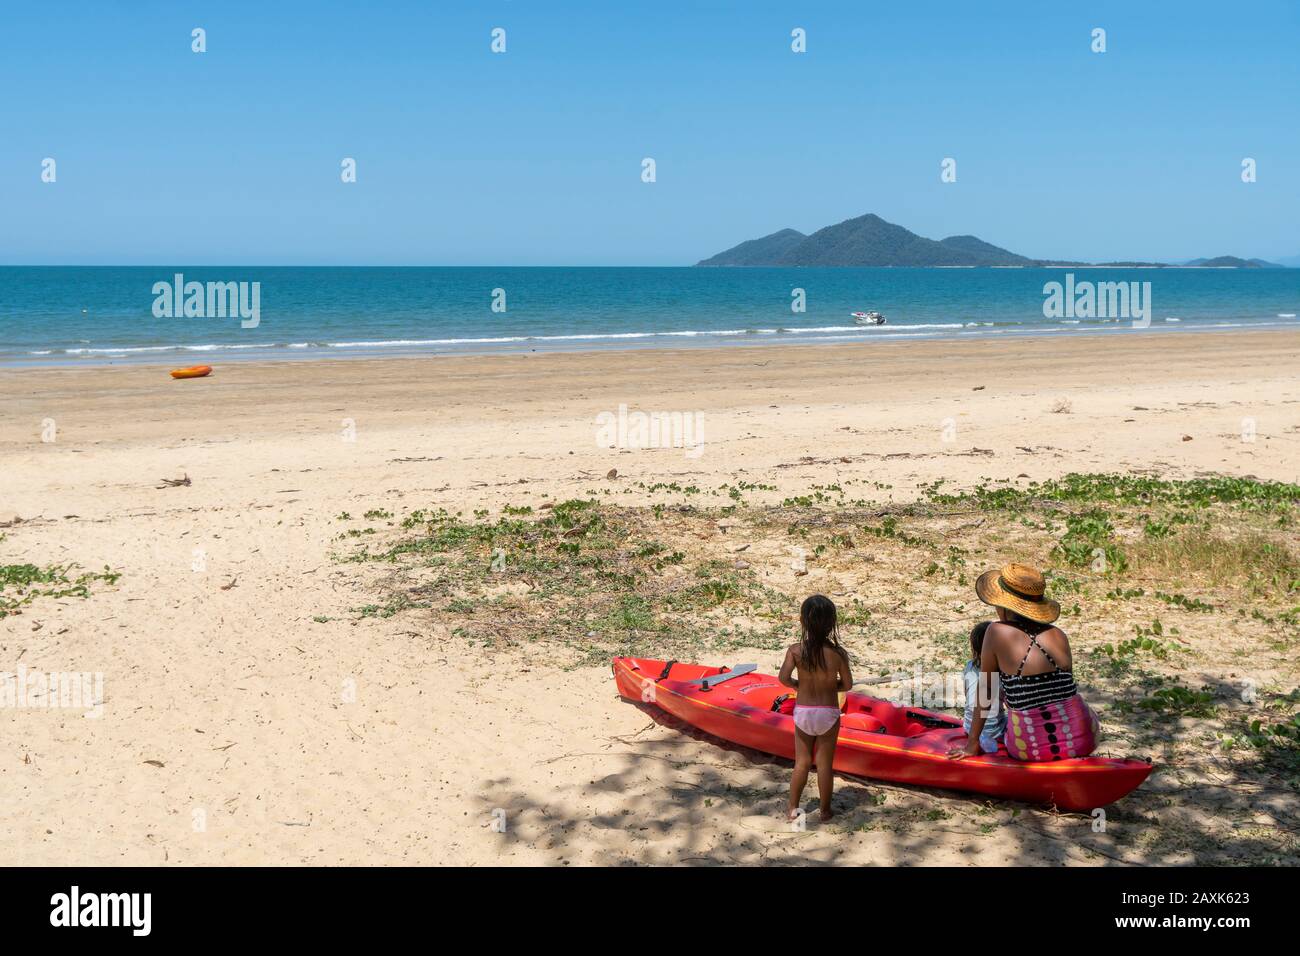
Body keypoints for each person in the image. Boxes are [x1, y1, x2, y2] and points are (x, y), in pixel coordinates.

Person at [952, 563, 1099, 762]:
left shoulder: (996, 632)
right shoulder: (1059, 635)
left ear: (1004, 605)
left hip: (1030, 748)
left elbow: (986, 691)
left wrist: (972, 744)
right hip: (1084, 739)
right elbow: (1062, 695)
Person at [778, 594, 853, 821]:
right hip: (828, 713)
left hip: (804, 711)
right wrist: (831, 685)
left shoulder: (795, 651)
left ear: (802, 621)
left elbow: (783, 678)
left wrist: (799, 685)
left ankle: (793, 809)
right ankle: (825, 811)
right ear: (832, 623)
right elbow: (847, 685)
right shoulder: (838, 655)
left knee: (801, 762)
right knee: (824, 765)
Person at [963, 621, 1006, 753]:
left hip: (968, 727)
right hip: (995, 732)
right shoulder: (1002, 673)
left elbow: (967, 694)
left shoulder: (969, 666)